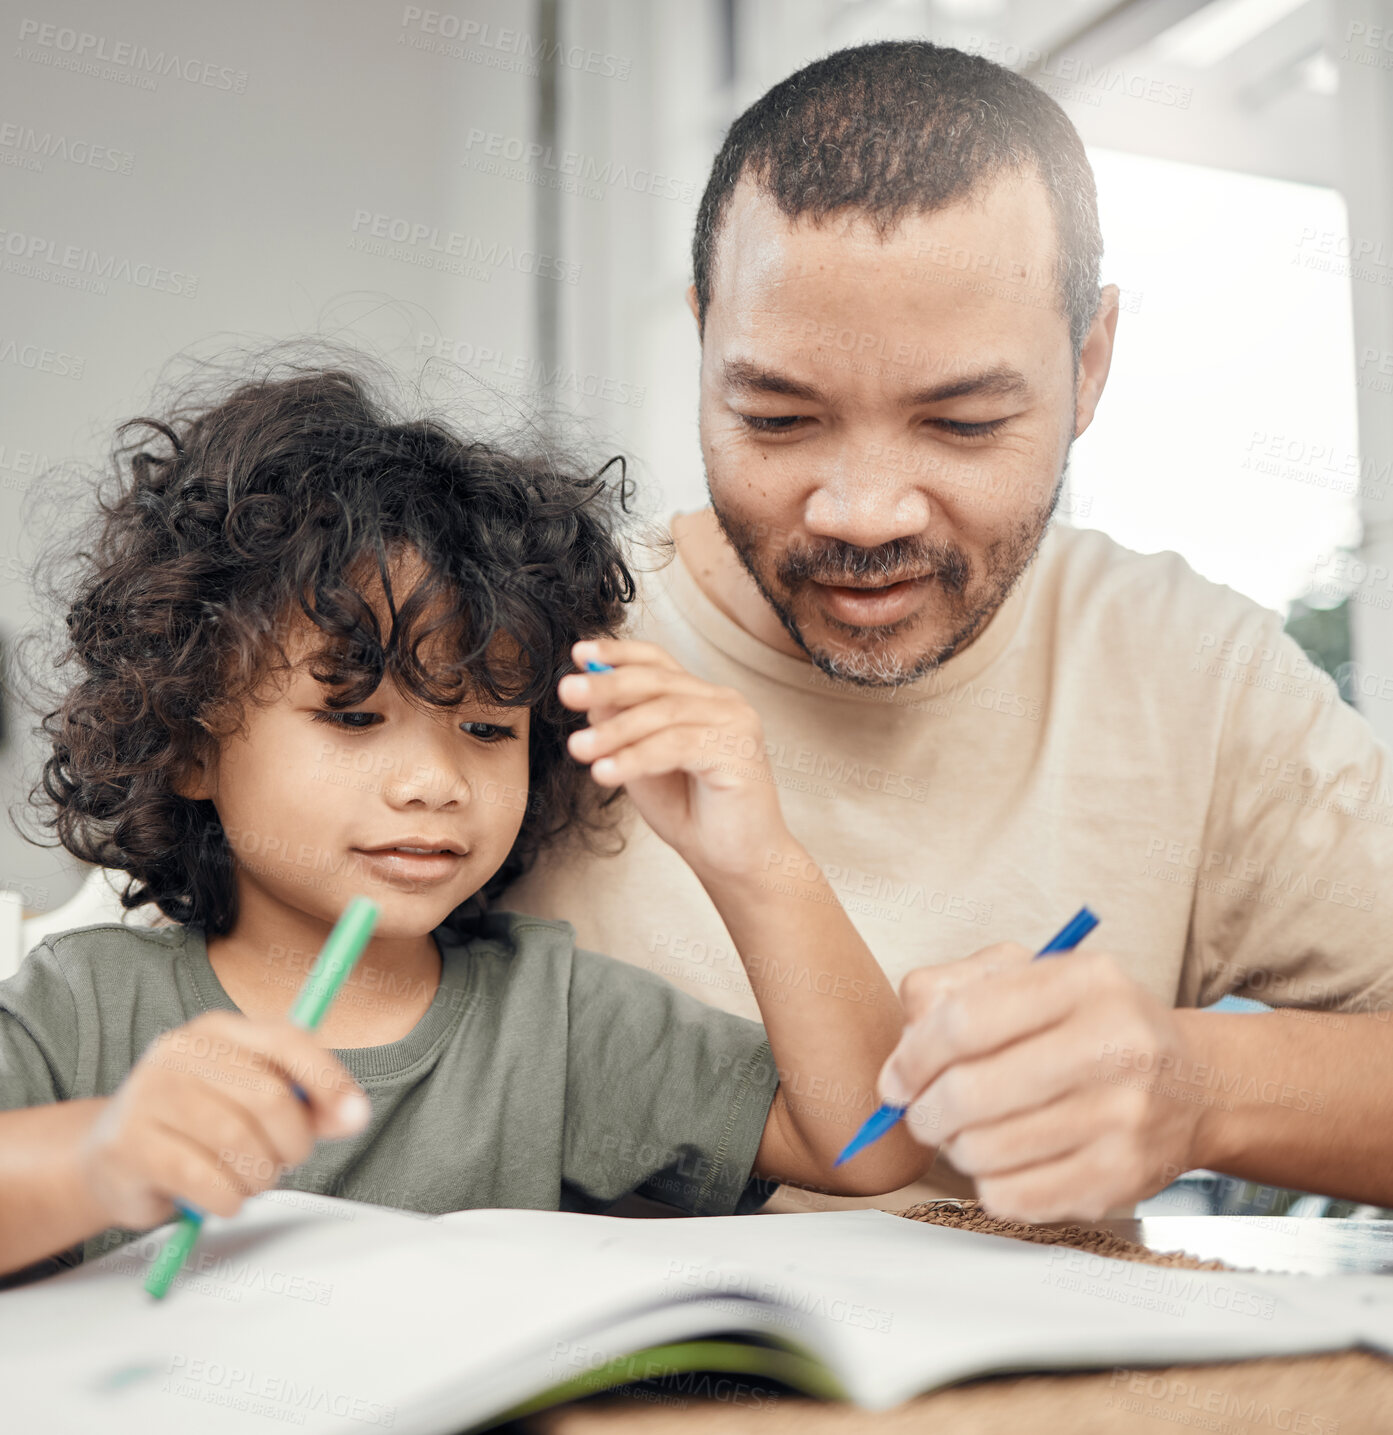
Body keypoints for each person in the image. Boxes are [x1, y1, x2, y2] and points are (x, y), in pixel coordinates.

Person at [501, 39, 1393, 1220]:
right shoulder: (521, 640)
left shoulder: (1192, 675)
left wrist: (1200, 1086)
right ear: (704, 340)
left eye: (962, 424)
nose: (863, 513)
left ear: (1089, 364)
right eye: (776, 417)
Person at [0, 358, 929, 1283]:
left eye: (487, 727)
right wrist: (95, 1159)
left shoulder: (552, 1020)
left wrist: (757, 860)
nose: (435, 781)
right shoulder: (80, 1010)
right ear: (192, 742)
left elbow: (871, 1142)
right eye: (354, 716)